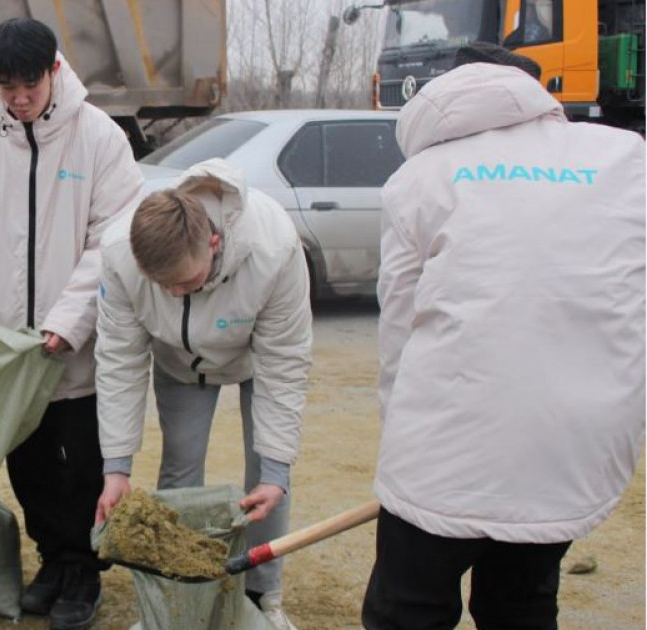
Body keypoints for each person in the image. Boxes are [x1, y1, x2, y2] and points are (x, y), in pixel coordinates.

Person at [363, 44, 645, 629]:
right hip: (571, 448)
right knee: (522, 605)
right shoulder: (627, 158)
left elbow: (398, 324)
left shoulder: (420, 176)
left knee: (408, 611)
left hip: (441, 454)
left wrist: (400, 434)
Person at [0, 17, 143, 630]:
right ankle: (52, 560)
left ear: (55, 71)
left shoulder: (99, 139)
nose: (19, 100)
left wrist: (66, 322)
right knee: (28, 467)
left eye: (29, 85)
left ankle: (84, 571)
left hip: (74, 351)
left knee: (81, 467)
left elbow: (113, 243)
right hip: (9, 353)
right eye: (7, 87)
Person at [92, 159, 312, 630]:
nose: (172, 293)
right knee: (180, 467)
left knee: (267, 480)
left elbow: (284, 360)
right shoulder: (118, 253)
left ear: (214, 244)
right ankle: (176, 601)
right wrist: (116, 467)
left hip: (256, 357)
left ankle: (263, 594)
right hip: (178, 361)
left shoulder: (273, 246)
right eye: (161, 286)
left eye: (185, 283)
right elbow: (119, 361)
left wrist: (276, 467)